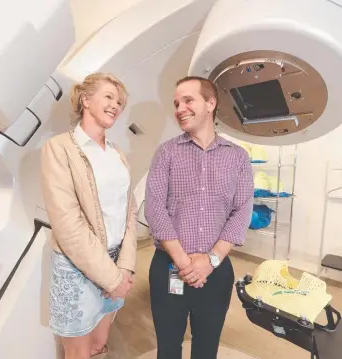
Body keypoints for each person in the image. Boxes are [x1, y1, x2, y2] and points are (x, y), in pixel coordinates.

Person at [145, 76, 254, 359]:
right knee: (168, 349)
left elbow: (242, 210)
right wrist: (183, 262)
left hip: (216, 272)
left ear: (210, 103)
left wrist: (211, 259)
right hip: (170, 267)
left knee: (207, 349)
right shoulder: (166, 152)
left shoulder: (238, 157)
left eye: (188, 100)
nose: (180, 108)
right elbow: (155, 206)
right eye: (176, 103)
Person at [40, 72, 138, 359]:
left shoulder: (118, 154)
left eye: (119, 101)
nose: (116, 105)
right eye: (108, 96)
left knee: (99, 345)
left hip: (117, 261)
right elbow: (68, 224)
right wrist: (111, 278)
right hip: (78, 266)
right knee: (79, 353)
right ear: (85, 99)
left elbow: (128, 210)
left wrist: (126, 266)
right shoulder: (59, 149)